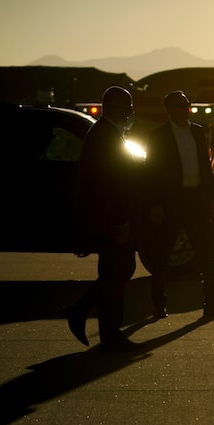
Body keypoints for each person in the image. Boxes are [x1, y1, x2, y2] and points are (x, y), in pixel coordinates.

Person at [63, 86, 143, 352]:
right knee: (116, 273)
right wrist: (120, 222)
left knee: (119, 272)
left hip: (110, 218)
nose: (131, 111)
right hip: (111, 220)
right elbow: (108, 184)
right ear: (114, 107)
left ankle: (86, 314)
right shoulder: (106, 136)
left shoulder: (108, 134)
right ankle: (107, 331)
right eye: (127, 105)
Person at [142, 90, 214, 319]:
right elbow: (150, 172)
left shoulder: (197, 132)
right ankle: (158, 305)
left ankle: (212, 305)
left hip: (197, 201)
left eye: (185, 106)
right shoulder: (158, 136)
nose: (182, 110)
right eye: (176, 106)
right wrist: (154, 204)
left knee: (207, 256)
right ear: (168, 110)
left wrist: (211, 198)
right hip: (171, 203)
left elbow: (205, 168)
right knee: (162, 257)